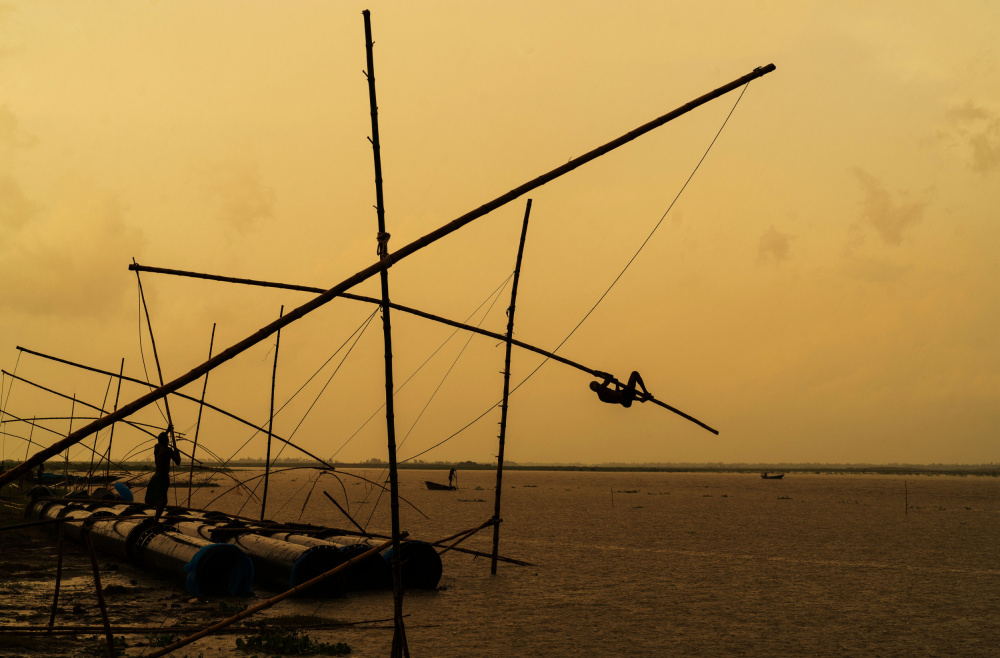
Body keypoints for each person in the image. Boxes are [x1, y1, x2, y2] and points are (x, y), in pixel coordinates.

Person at [145, 426, 180, 522]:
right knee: (163, 502)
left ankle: (155, 519)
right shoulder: (168, 450)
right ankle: (156, 521)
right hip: (163, 477)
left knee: (158, 500)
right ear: (167, 441)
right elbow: (178, 462)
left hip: (156, 476)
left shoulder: (157, 447)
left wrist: (167, 431)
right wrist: (177, 453)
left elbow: (161, 440)